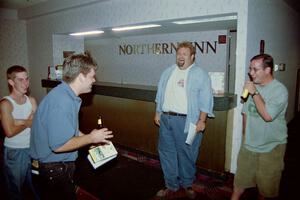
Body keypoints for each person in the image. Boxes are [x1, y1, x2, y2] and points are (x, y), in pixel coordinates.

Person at [30, 52, 113, 200]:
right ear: (81, 76)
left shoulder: (65, 94)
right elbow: (58, 146)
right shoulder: (62, 102)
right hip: (53, 170)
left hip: (55, 168)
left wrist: (89, 138)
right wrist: (90, 138)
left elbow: (69, 131)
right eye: (92, 76)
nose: (94, 80)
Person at [154, 41, 214, 199]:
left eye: (184, 54)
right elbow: (160, 94)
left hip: (187, 121)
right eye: (179, 53)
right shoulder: (168, 72)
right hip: (166, 119)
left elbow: (206, 99)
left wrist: (202, 120)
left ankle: (187, 184)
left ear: (192, 56)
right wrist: (158, 112)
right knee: (166, 153)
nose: (180, 57)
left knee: (186, 154)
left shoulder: (200, 74)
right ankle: (171, 185)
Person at [231, 54, 288, 200]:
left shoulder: (279, 91)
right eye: (250, 69)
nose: (251, 73)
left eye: (255, 69)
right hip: (249, 146)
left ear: (268, 70)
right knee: (238, 185)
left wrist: (254, 92)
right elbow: (245, 114)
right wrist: (245, 138)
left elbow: (267, 116)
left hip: (271, 148)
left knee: (264, 191)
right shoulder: (251, 88)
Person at [0, 65, 38, 199]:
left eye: (26, 79)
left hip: (31, 149)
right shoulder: (6, 103)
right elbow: (9, 132)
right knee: (14, 190)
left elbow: (36, 125)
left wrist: (18, 121)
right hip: (14, 152)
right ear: (11, 82)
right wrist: (27, 122)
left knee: (33, 186)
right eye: (20, 80)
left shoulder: (31, 100)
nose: (26, 83)